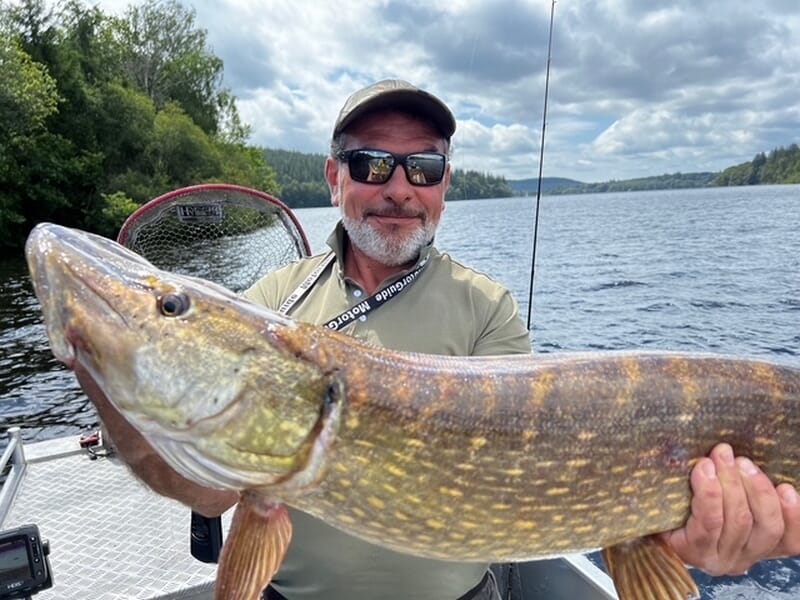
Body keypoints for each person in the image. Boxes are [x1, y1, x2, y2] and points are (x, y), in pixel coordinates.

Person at [81, 79, 800, 600]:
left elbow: (545, 470)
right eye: (371, 164)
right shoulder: (274, 302)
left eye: (422, 168)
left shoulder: (485, 307)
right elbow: (207, 493)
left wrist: (688, 537)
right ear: (335, 178)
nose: (398, 187)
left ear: (443, 185)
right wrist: (110, 381)